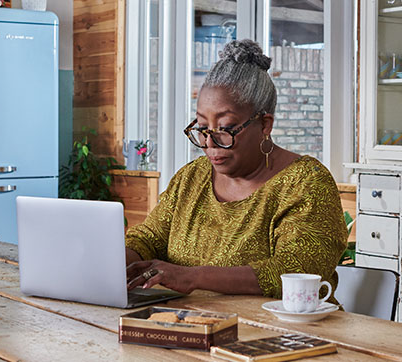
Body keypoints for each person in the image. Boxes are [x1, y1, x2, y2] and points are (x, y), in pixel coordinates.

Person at [125, 39, 347, 300]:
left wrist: (193, 277)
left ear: (265, 125)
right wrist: (118, 263)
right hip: (194, 323)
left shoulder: (306, 183)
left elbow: (295, 271)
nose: (209, 143)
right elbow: (149, 238)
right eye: (202, 128)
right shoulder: (191, 177)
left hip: (286, 333)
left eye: (225, 129)